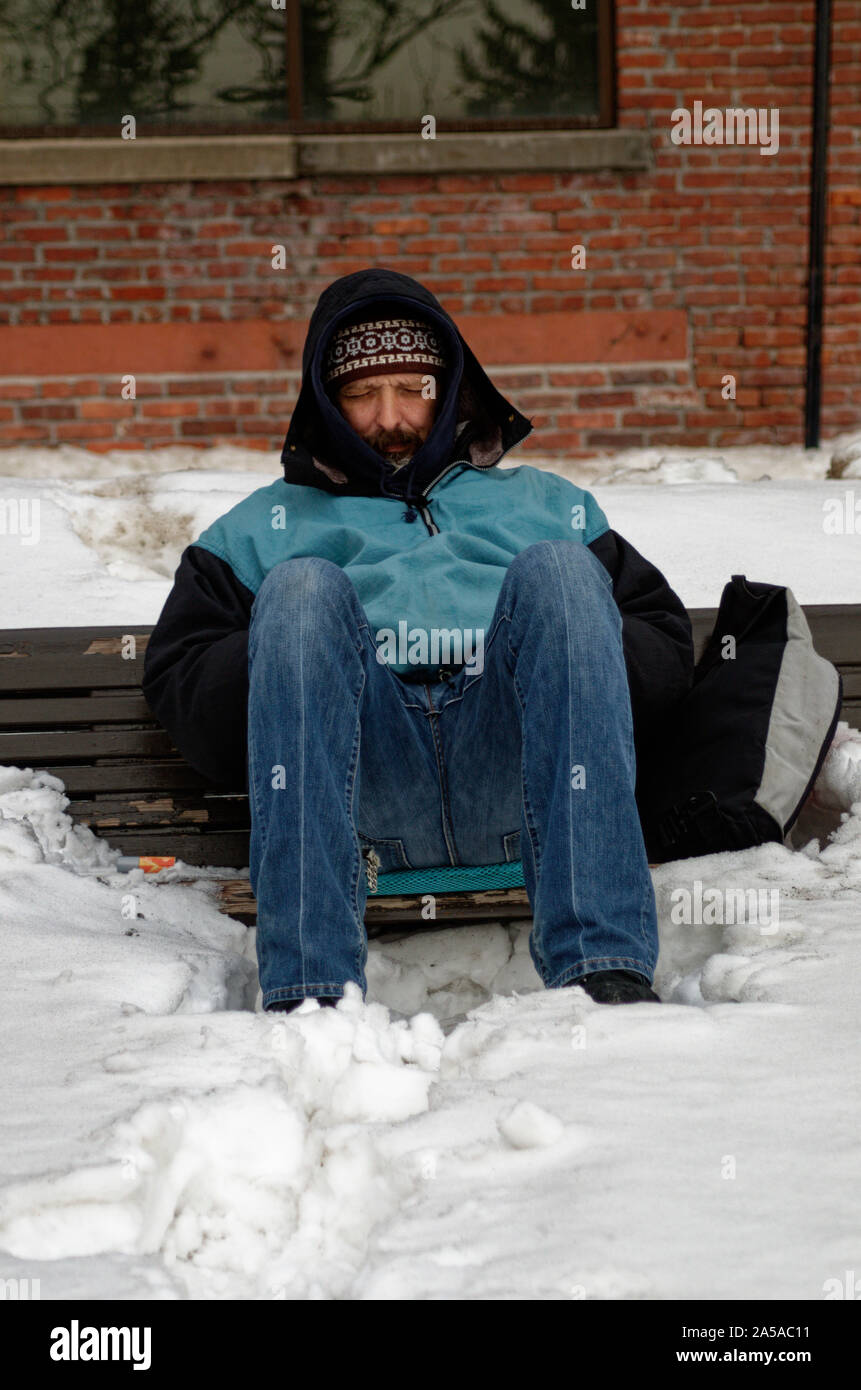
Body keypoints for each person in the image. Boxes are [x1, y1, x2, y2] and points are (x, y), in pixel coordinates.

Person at [142, 267, 694, 1011]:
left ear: (452, 389)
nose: (391, 416)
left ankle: (604, 970)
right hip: (365, 789)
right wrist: (299, 647)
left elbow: (660, 655)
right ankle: (310, 994)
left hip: (523, 774)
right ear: (326, 401)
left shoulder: (546, 504)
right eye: (362, 394)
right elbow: (187, 692)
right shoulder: (258, 527)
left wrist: (550, 646)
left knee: (559, 572)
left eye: (412, 389)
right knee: (303, 589)